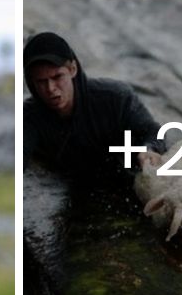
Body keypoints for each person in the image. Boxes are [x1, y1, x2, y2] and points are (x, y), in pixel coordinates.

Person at [23, 31, 164, 182]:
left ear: (73, 69)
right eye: (41, 81)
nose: (51, 88)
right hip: (73, 187)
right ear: (31, 82)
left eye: (57, 77)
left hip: (130, 179)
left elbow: (153, 131)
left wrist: (150, 150)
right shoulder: (27, 116)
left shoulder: (115, 97)